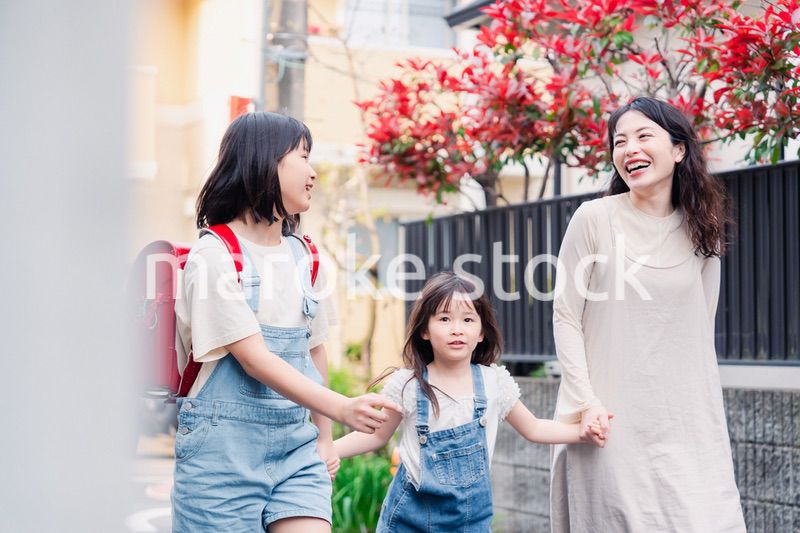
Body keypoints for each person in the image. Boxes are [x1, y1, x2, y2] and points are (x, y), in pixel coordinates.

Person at [171, 111, 400, 533]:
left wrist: (324, 437)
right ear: (264, 160)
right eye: (303, 157)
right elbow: (254, 359)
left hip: (297, 450)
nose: (313, 173)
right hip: (221, 457)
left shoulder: (305, 256)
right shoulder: (213, 256)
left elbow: (314, 351)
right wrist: (341, 407)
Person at [550, 96, 746, 532]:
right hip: (608, 421)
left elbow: (699, 326)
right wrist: (586, 402)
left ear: (678, 150)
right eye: (620, 141)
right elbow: (566, 317)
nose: (629, 149)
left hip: (685, 420)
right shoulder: (594, 218)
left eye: (643, 136)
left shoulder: (703, 228)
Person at [334, 272, 608, 532]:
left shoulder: (493, 382)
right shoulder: (408, 384)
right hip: (409, 520)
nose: (457, 329)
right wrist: (328, 450)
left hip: (470, 523)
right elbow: (376, 435)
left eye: (467, 320)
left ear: (481, 332)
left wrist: (581, 432)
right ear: (424, 330)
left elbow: (534, 428)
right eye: (444, 319)